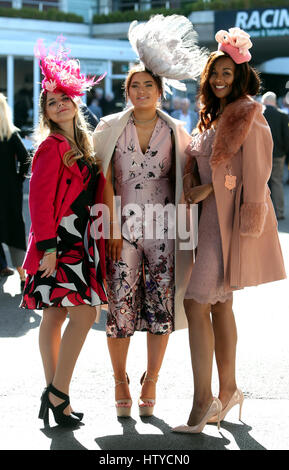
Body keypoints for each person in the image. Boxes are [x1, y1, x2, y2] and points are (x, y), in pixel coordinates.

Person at [172, 27, 286, 434]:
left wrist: (213, 191)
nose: (219, 79)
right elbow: (200, 160)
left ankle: (204, 402)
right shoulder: (215, 115)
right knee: (219, 306)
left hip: (227, 226)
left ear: (239, 76)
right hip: (207, 225)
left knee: (195, 303)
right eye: (214, 73)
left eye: (227, 73)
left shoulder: (248, 114)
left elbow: (259, 174)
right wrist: (193, 181)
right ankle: (231, 389)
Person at [93, 14, 206, 418]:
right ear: (127, 92)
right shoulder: (108, 127)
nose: (140, 90)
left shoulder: (178, 130)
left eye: (147, 85)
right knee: (120, 307)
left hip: (165, 231)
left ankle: (151, 380)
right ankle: (120, 379)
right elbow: (102, 177)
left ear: (159, 90)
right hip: (121, 229)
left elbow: (190, 175)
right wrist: (108, 228)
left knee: (161, 308)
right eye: (133, 86)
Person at [20, 37, 107, 427]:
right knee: (86, 312)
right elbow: (37, 202)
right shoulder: (50, 147)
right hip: (60, 241)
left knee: (55, 316)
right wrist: (48, 248)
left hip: (80, 240)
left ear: (75, 100)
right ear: (47, 112)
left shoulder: (82, 145)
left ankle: (56, 398)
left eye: (64, 98)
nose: (59, 104)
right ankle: (58, 391)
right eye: (51, 102)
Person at [0, 93, 29, 289]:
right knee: (14, 230)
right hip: (9, 191)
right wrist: (18, 179)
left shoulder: (11, 135)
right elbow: (26, 159)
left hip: (10, 190)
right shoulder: (10, 135)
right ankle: (22, 275)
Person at [262, 91, 289, 220]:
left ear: (264, 101)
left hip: (261, 154)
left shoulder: (260, 115)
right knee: (277, 182)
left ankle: (264, 212)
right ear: (274, 101)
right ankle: (279, 212)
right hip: (278, 154)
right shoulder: (283, 116)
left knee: (262, 183)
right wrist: (284, 152)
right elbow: (287, 137)